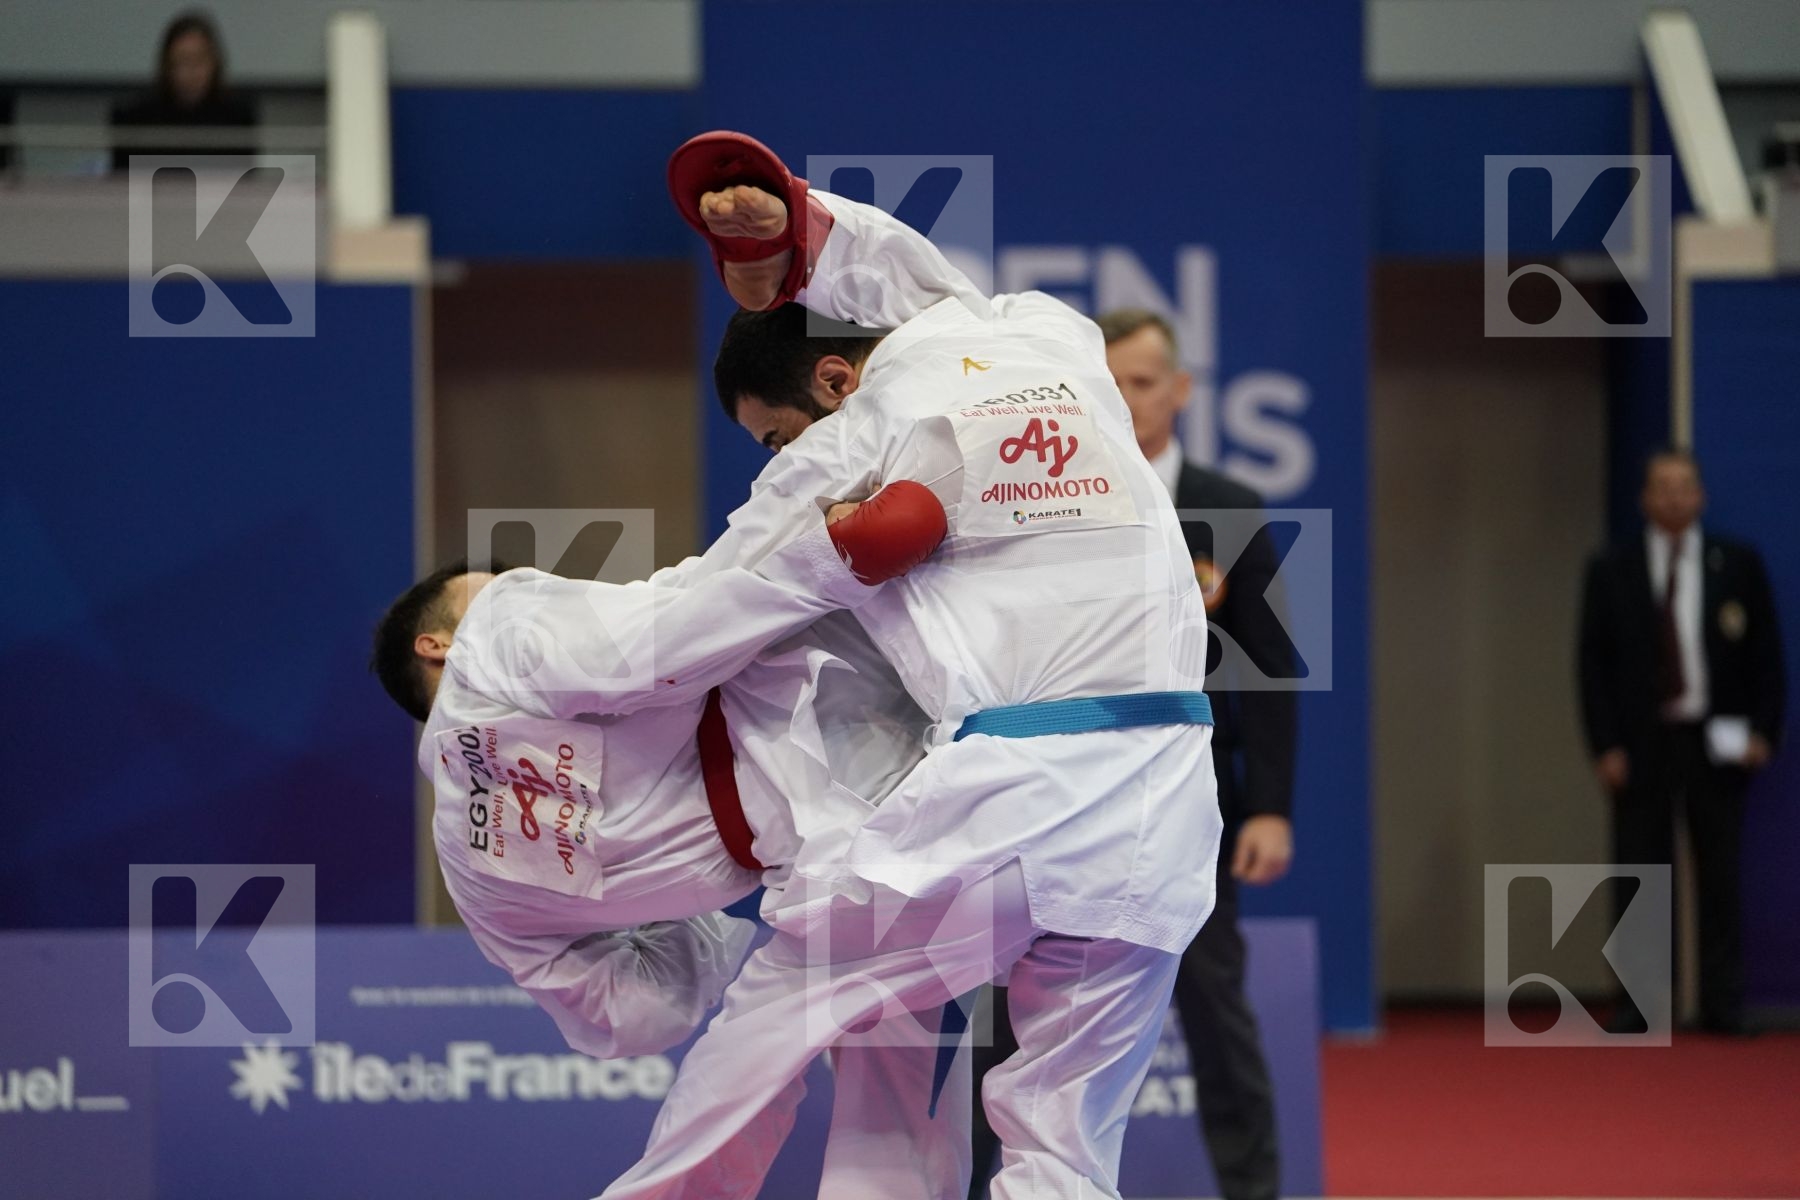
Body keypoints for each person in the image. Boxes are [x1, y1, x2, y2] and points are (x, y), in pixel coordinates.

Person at [591, 132, 1222, 1200]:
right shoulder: (1051, 336)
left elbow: (692, 619)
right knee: (1065, 1151)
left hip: (1012, 801)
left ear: (831, 381)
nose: (781, 458)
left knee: (789, 987)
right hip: (1165, 812)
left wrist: (512, 651)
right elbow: (924, 284)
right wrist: (795, 225)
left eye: (775, 436)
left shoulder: (849, 444)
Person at [372, 481, 963, 1198]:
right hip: (906, 720)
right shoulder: (495, 632)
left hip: (851, 858)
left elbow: (634, 1016)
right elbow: (656, 639)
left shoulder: (474, 874)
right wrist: (829, 556)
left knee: (852, 1108)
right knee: (905, 1115)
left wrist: (672, 908)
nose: (553, 594)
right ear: (436, 644)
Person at [965, 308, 1297, 1200]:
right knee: (1013, 1013)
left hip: (1188, 806)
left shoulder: (1226, 510)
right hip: (1057, 800)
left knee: (1214, 1006)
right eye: (1107, 384)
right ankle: (969, 1183)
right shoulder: (1048, 492)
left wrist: (1268, 806)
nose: (1126, 400)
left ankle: (1254, 1191)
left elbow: (1268, 670)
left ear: (1182, 391)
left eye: (1144, 382)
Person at [1577, 447, 1785, 1035]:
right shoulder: (1612, 567)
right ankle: (1639, 1003)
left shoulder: (1736, 564)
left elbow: (1766, 656)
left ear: (1701, 497)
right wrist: (1604, 746)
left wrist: (1763, 732)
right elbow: (1590, 665)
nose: (1673, 496)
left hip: (1715, 740)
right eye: (1662, 487)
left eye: (1684, 486)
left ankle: (1723, 1002)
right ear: (1645, 498)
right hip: (1640, 743)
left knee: (1719, 872)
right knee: (1639, 872)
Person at [111, 11, 255, 171]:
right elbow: (122, 183)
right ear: (167, 65)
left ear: (215, 62)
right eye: (183, 60)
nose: (191, 70)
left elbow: (246, 183)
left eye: (199, 60)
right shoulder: (136, 116)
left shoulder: (237, 116)